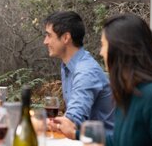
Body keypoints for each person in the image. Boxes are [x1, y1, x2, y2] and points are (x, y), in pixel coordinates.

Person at [101, 13, 152, 146]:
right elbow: (120, 141)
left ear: (120, 50)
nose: (101, 52)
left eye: (103, 45)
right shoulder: (128, 92)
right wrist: (78, 134)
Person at [43, 11, 115, 139]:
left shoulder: (85, 71)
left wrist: (36, 122)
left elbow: (72, 122)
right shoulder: (68, 66)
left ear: (66, 38)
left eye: (49, 35)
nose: (45, 41)